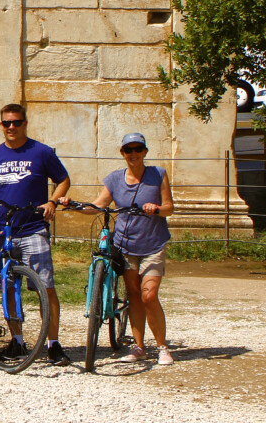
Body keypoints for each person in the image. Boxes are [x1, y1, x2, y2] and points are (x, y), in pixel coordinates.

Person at [0, 103, 72, 366]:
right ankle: (17, 341)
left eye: (16, 122)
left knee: (46, 288)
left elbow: (63, 179)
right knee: (7, 289)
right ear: (1, 125)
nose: (12, 127)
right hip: (3, 232)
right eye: (7, 123)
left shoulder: (41, 152)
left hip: (33, 229)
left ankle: (53, 344)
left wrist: (52, 202)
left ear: (25, 123)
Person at [65, 132, 175, 365]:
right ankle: (139, 347)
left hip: (153, 244)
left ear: (145, 151)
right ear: (122, 153)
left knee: (149, 295)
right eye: (128, 150)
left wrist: (155, 209)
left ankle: (162, 346)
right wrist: (74, 205)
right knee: (134, 295)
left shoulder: (158, 174)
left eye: (137, 149)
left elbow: (169, 208)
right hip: (125, 245)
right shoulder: (114, 179)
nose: (133, 154)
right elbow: (98, 205)